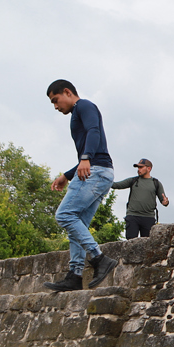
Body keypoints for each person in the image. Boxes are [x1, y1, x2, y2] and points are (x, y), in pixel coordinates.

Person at [42, 80, 118, 291]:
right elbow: (93, 146)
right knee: (78, 226)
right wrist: (67, 175)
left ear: (67, 92)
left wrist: (86, 158)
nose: (56, 107)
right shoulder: (77, 112)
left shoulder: (84, 106)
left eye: (56, 101)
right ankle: (75, 275)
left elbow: (94, 131)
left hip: (96, 170)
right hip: (100, 171)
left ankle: (99, 258)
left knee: (64, 215)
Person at [112, 158, 169, 238]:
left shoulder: (156, 183)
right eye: (138, 167)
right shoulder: (133, 180)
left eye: (141, 167)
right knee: (130, 244)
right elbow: (116, 185)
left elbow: (164, 201)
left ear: (149, 169)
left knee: (147, 246)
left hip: (148, 218)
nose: (139, 169)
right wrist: (104, 180)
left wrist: (165, 202)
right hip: (132, 216)